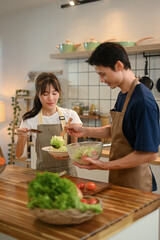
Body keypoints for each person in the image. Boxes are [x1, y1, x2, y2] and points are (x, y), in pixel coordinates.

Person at [66, 42, 160, 192]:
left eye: (102, 74)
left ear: (118, 66)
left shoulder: (143, 100)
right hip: (118, 177)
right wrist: (84, 130)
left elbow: (149, 154)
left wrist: (104, 165)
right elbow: (117, 130)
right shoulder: (123, 95)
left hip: (136, 184)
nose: (102, 80)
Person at [15, 72, 82, 176]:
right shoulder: (29, 119)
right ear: (38, 94)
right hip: (43, 174)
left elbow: (75, 151)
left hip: (68, 174)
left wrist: (71, 153)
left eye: (54, 93)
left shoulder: (71, 115)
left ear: (59, 93)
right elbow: (19, 155)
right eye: (45, 94)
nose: (51, 98)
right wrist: (21, 137)